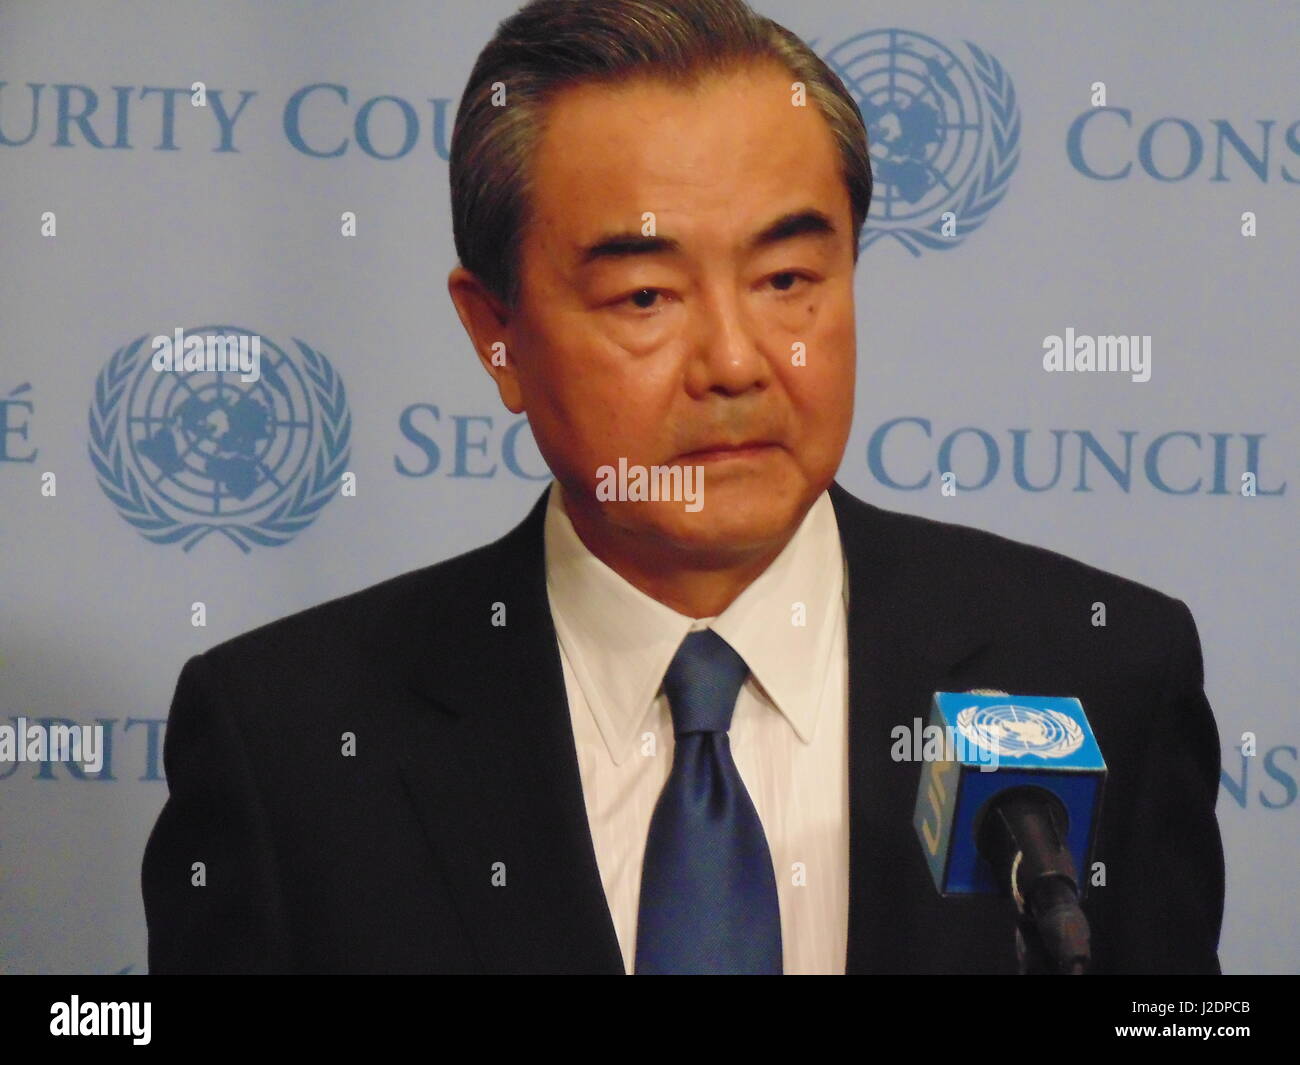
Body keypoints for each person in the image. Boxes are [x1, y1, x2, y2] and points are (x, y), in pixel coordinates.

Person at [142, 0, 1224, 974]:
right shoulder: (291, 743)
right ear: (496, 334)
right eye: (646, 296)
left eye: (788, 280)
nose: (736, 363)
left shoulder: (1097, 675)